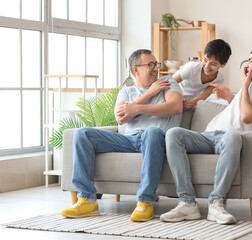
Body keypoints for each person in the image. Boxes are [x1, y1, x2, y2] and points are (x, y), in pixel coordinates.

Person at [160, 46, 252, 225]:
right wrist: (231, 98)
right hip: (208, 135)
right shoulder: (247, 88)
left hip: (230, 139)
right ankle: (187, 202)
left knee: (233, 136)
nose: (247, 64)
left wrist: (244, 86)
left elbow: (246, 116)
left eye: (251, 60)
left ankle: (216, 203)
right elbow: (238, 111)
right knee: (174, 134)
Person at [61, 49, 183, 222]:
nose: (156, 68)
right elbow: (121, 118)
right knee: (83, 134)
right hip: (128, 140)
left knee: (152, 131)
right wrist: (148, 94)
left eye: (156, 63)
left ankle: (145, 201)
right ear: (135, 69)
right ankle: (87, 200)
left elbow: (175, 107)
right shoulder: (126, 92)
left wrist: (136, 108)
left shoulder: (167, 83)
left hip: (155, 139)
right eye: (150, 64)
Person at [172, 39, 231, 110]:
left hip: (190, 103)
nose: (207, 66)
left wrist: (192, 103)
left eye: (213, 64)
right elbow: (170, 82)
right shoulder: (191, 68)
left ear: (223, 64)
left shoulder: (219, 79)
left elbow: (203, 96)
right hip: (174, 95)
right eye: (205, 60)